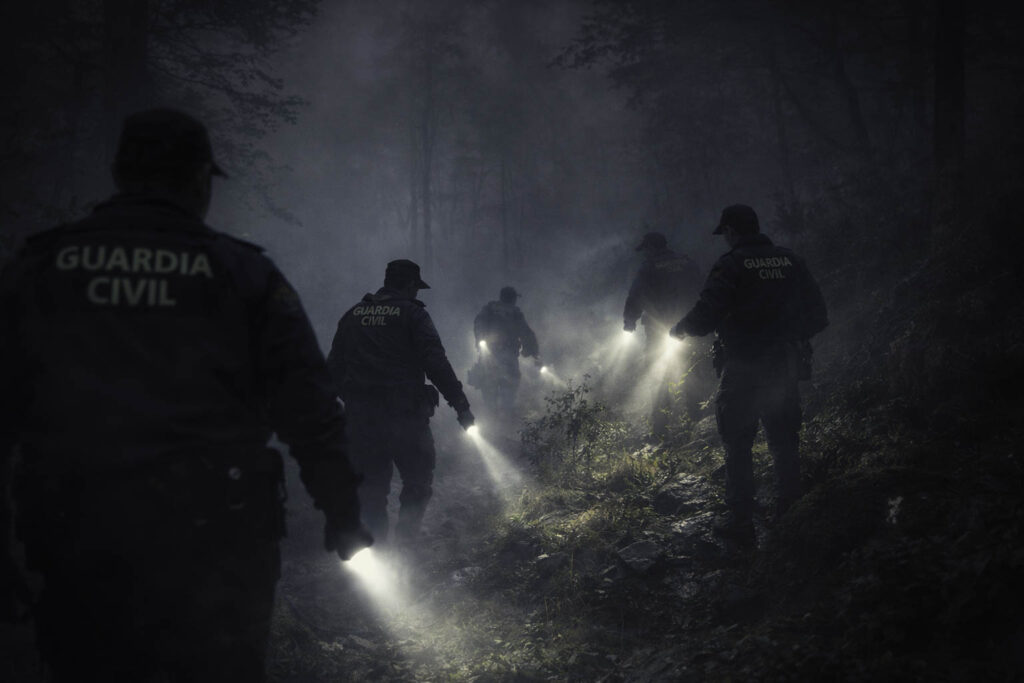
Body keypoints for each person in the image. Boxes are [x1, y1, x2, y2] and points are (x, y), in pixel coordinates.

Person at [0, 108, 370, 681]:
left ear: (121, 171)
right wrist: (343, 512)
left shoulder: (40, 267)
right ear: (199, 178)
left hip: (77, 536)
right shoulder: (243, 275)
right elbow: (310, 409)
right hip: (216, 547)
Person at [671, 204, 828, 544]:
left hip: (743, 367)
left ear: (731, 231)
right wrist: (787, 334)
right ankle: (792, 515)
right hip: (783, 365)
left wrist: (681, 329)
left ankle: (741, 522)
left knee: (738, 442)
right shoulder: (790, 260)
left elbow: (707, 313)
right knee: (784, 440)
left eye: (725, 233)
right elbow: (818, 315)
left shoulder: (731, 264)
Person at [327, 260, 474, 547]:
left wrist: (353, 402)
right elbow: (435, 361)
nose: (417, 294)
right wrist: (461, 405)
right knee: (418, 481)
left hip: (362, 421)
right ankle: (406, 546)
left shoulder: (353, 315)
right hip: (405, 417)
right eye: (416, 288)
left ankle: (378, 548)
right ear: (409, 285)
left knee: (371, 489)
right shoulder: (412, 314)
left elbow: (332, 370)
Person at [623, 231, 705, 436]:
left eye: (646, 250)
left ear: (651, 248)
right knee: (693, 372)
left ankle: (661, 429)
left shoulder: (649, 267)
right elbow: (704, 288)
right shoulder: (688, 263)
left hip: (660, 329)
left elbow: (636, 294)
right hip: (690, 325)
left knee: (659, 375)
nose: (644, 254)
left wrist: (629, 320)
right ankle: (697, 421)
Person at [471, 286, 540, 413]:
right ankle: (505, 415)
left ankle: (491, 415)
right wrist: (532, 351)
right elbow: (526, 332)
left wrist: (480, 341)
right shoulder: (515, 312)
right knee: (510, 386)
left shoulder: (489, 309)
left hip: (489, 354)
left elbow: (478, 324)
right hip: (508, 355)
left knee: (488, 385)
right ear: (513, 298)